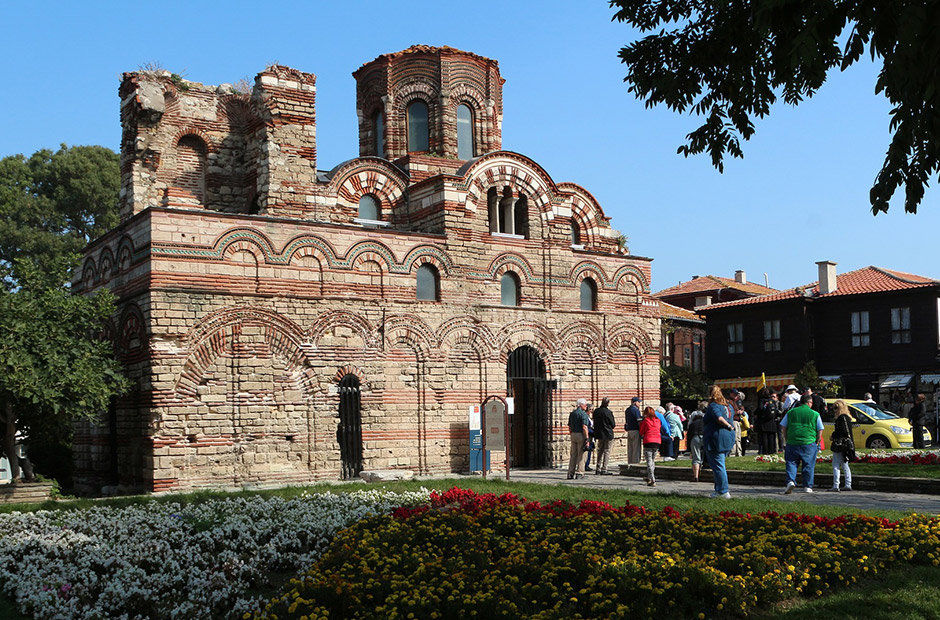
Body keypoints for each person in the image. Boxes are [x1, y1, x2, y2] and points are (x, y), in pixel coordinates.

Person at [781, 393, 824, 494]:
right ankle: (807, 486)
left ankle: (790, 481)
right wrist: (817, 441)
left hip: (792, 441)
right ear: (809, 402)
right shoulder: (815, 414)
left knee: (791, 463)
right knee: (808, 465)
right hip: (808, 442)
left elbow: (783, 426)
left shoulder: (791, 412)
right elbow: (820, 429)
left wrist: (786, 438)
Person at [703, 385, 736, 499]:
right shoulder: (728, 406)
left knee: (718, 466)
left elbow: (719, 418)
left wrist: (728, 426)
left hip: (716, 439)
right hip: (727, 439)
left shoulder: (714, 405)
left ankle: (723, 491)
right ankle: (718, 490)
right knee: (720, 465)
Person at [828, 399, 855, 492]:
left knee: (836, 463)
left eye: (835, 408)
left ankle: (836, 485)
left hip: (840, 444)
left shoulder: (841, 418)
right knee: (844, 464)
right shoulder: (847, 417)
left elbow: (842, 432)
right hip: (846, 444)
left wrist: (833, 436)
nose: (834, 410)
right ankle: (848, 483)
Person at [567, 398, 591, 480]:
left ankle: (570, 473)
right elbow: (584, 427)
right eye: (585, 405)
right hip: (581, 435)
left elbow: (569, 426)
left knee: (573, 455)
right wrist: (587, 438)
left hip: (573, 434)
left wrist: (572, 433)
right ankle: (580, 473)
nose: (586, 406)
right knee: (582, 455)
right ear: (581, 405)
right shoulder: (583, 414)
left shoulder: (572, 413)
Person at [592, 397, 616, 475]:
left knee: (600, 451)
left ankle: (597, 468)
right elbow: (613, 424)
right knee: (607, 451)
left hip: (599, 434)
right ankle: (604, 469)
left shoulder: (596, 411)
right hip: (608, 434)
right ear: (608, 403)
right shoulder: (608, 412)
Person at [754, 388, 782, 455]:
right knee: (771, 437)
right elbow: (776, 411)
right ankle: (772, 451)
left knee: (764, 437)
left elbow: (760, 408)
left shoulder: (762, 400)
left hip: (764, 421)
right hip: (772, 421)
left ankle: (765, 452)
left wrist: (756, 413)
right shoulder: (772, 401)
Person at [639, 406, 662, 487]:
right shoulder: (658, 420)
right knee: (652, 460)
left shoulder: (646, 421)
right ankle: (649, 476)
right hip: (657, 441)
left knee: (649, 461)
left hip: (648, 441)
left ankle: (652, 479)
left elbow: (641, 431)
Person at [687, 402, 706, 482]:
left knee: (696, 458)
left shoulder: (693, 423)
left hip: (695, 437)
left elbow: (689, 434)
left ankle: (696, 477)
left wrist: (689, 448)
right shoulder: (706, 421)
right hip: (705, 437)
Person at [624, 397, 643, 467]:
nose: (639, 404)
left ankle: (630, 462)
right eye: (639, 402)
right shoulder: (636, 410)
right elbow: (639, 420)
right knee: (636, 448)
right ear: (635, 402)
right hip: (635, 430)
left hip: (629, 430)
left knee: (630, 448)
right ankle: (635, 463)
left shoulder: (627, 410)